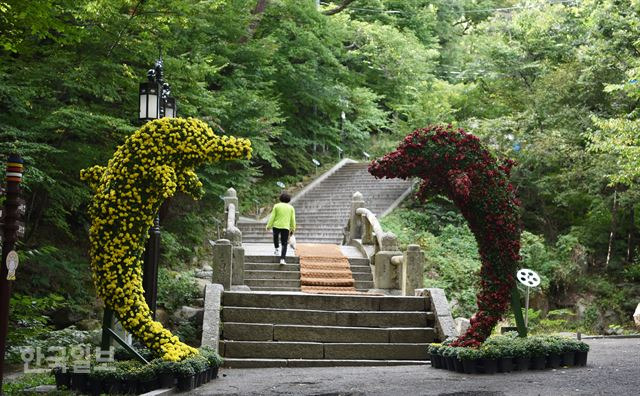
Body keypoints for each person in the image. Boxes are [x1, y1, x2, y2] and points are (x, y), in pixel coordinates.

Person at [266, 192, 296, 264]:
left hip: (276, 226)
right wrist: (293, 228)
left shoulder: (276, 206)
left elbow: (272, 217)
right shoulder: (291, 208)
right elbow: (293, 219)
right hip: (285, 227)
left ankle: (276, 249)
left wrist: (268, 226)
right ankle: (282, 259)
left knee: (275, 237)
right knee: (284, 243)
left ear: (280, 198)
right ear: (289, 200)